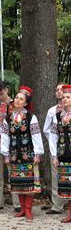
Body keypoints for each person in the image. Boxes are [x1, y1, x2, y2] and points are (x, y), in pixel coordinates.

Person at [1, 86, 44, 221]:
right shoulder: (8, 118)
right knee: (18, 182)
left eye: (21, 99)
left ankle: (28, 209)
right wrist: (6, 154)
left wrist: (37, 153)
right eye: (17, 98)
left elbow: (36, 135)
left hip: (28, 153)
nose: (17, 100)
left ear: (25, 103)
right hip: (14, 153)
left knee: (29, 182)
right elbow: (5, 136)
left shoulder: (31, 117)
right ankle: (22, 209)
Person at [0, 82, 20, 212]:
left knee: (13, 174)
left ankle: (17, 203)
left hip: (12, 144)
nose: (0, 97)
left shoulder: (16, 104)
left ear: (7, 91)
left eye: (2, 94)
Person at [47, 84, 71, 223]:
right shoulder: (58, 115)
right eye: (63, 97)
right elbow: (54, 135)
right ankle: (70, 212)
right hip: (63, 153)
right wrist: (54, 155)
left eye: (68, 97)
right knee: (66, 183)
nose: (64, 99)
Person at [43, 83, 67, 215]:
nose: (59, 92)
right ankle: (57, 205)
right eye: (57, 89)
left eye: (62, 90)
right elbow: (47, 130)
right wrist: (54, 147)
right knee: (57, 177)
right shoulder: (52, 111)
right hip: (58, 148)